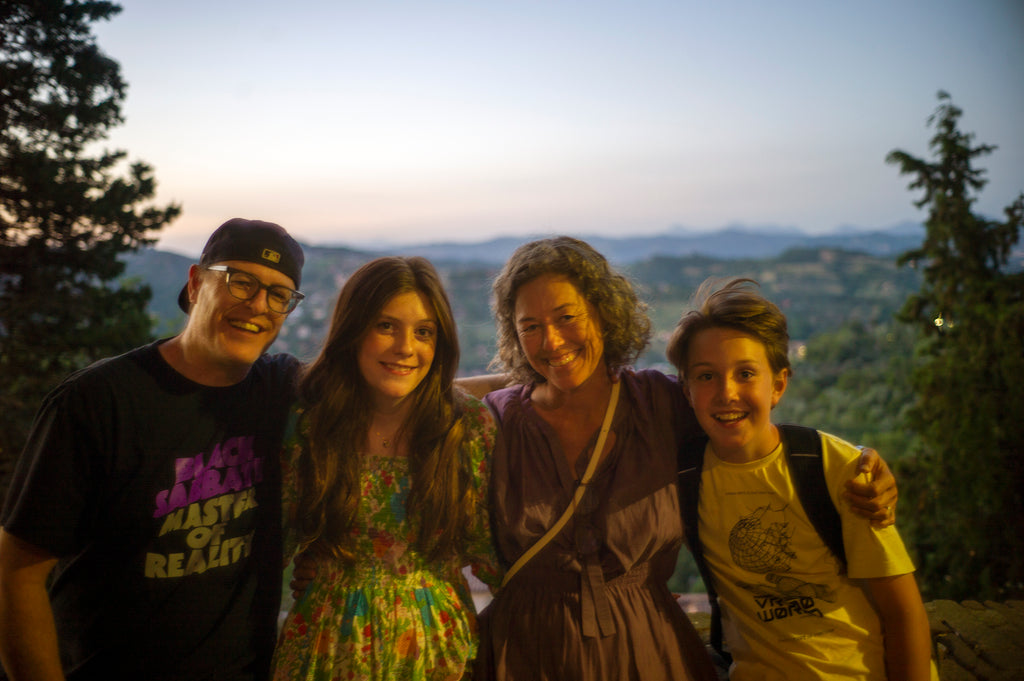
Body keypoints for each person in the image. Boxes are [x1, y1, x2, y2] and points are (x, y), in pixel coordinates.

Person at [0, 218, 306, 680]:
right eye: (241, 283)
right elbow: (16, 572)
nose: (258, 305)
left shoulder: (281, 388)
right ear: (197, 282)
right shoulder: (99, 401)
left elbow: (397, 404)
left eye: (278, 294)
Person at [666, 277, 936, 680]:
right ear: (686, 391)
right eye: (706, 376)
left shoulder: (835, 469)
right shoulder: (683, 479)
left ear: (778, 384)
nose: (726, 392)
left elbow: (903, 611)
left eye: (745, 373)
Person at [271, 257, 502, 681]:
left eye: (424, 332)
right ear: (353, 331)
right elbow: (270, 547)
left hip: (435, 652)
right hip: (324, 646)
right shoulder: (311, 424)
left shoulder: (466, 427)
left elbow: (493, 555)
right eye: (385, 326)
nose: (405, 347)